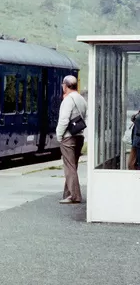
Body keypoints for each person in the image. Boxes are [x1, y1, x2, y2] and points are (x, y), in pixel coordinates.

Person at [56, 75, 87, 204]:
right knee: (73, 166)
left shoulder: (68, 100)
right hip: (79, 136)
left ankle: (74, 196)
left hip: (68, 137)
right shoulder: (81, 99)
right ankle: (68, 194)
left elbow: (64, 120)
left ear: (65, 85)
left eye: (63, 85)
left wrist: (59, 135)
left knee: (69, 167)